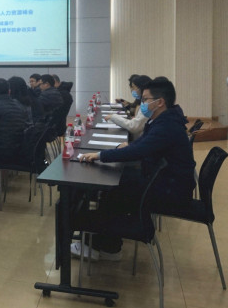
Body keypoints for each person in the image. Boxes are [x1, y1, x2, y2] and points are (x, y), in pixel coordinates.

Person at [76, 78, 196, 260]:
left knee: (116, 189)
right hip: (165, 181)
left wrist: (100, 155)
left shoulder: (167, 125)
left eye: (146, 99)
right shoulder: (164, 119)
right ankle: (106, 242)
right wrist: (127, 148)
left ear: (160, 102)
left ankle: (107, 246)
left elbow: (139, 151)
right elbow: (144, 143)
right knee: (117, 185)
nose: (142, 103)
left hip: (172, 191)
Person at [105, 75, 152, 139]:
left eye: (133, 87)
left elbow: (133, 126)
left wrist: (113, 117)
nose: (132, 90)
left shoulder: (148, 104)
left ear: (141, 88)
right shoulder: (142, 101)